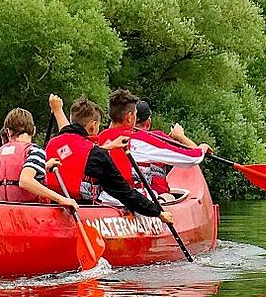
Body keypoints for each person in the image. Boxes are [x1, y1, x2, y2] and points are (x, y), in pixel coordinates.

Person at [45, 94, 174, 224]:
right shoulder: (96, 155)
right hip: (82, 215)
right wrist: (157, 213)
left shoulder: (53, 143)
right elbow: (124, 192)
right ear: (92, 126)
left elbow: (74, 150)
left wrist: (58, 111)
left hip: (49, 211)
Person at [0, 107, 77, 208]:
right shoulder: (35, 150)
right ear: (33, 130)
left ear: (8, 132)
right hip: (27, 215)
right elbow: (25, 181)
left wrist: (44, 166)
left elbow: (14, 172)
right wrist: (62, 199)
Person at [131, 99, 207, 198]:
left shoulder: (113, 138)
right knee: (168, 196)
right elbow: (194, 155)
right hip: (156, 197)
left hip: (120, 197)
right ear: (148, 122)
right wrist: (181, 136)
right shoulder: (155, 138)